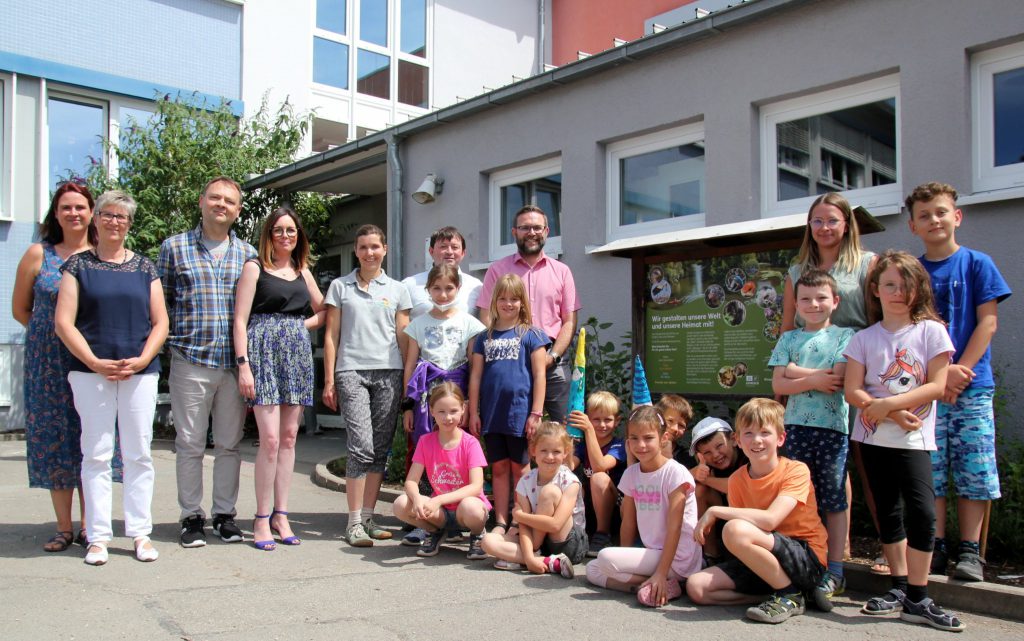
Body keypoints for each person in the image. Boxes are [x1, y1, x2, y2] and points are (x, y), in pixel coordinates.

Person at [844, 250, 965, 632]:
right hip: (872, 436)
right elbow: (853, 391)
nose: (897, 292)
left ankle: (918, 593)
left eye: (905, 284)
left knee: (923, 513)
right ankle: (899, 588)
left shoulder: (931, 331)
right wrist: (889, 412)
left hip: (914, 440)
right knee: (887, 511)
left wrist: (888, 405)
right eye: (889, 284)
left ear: (918, 289)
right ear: (876, 290)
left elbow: (936, 384)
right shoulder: (864, 338)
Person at [54, 190, 168, 565]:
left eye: (122, 217)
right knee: (97, 455)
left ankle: (140, 534)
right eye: (107, 215)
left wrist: (142, 360)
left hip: (139, 374)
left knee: (138, 455)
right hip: (91, 375)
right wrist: (94, 361)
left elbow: (160, 322)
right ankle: (98, 538)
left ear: (129, 224)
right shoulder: (77, 266)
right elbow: (63, 323)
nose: (114, 222)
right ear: (96, 219)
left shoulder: (145, 268)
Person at [906, 182, 1011, 582]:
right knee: (930, 470)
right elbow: (910, 330)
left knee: (974, 468)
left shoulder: (977, 263)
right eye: (924, 215)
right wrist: (937, 376)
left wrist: (957, 370)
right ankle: (935, 545)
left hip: (972, 385)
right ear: (913, 225)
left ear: (956, 216)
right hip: (925, 389)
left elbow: (988, 321)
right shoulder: (912, 273)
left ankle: (969, 551)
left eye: (940, 212)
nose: (934, 220)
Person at [780, 191, 882, 573]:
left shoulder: (868, 263)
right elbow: (787, 326)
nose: (824, 227)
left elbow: (878, 316)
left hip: (860, 367)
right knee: (835, 460)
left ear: (846, 224)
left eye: (832, 220)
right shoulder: (797, 270)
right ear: (810, 225)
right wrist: (786, 377)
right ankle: (842, 543)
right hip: (814, 375)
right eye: (818, 220)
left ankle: (888, 545)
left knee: (868, 458)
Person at [157, 176, 256, 547]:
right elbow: (161, 302)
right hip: (190, 361)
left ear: (238, 210)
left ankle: (225, 516)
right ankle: (191, 517)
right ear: (201, 201)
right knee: (190, 444)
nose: (221, 205)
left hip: (233, 365)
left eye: (229, 201)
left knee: (230, 445)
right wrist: (169, 346)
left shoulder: (247, 253)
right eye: (215, 198)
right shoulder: (174, 248)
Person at [686, 398, 828, 625]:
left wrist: (714, 510)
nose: (757, 440)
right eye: (749, 433)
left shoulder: (796, 470)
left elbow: (770, 520)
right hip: (765, 562)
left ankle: (789, 594)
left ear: (780, 438)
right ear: (739, 440)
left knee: (734, 529)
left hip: (805, 558)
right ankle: (787, 594)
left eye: (765, 432)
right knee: (697, 588)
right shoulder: (737, 480)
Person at [233, 207, 325, 551]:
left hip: (296, 356)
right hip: (262, 354)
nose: (285, 236)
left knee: (288, 438)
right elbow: (240, 320)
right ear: (268, 234)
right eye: (279, 230)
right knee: (269, 439)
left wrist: (300, 326)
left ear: (298, 236)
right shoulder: (254, 267)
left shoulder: (303, 271)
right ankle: (260, 516)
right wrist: (243, 365)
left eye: (291, 231)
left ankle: (281, 515)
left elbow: (325, 310)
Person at [12, 183, 97, 552]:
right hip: (46, 364)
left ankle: (89, 526)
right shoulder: (39, 254)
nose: (74, 213)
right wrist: (49, 335)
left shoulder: (100, 255)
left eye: (80, 206)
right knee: (54, 442)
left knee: (89, 441)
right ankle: (64, 528)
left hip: (90, 359)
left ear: (92, 212)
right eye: (66, 207)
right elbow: (20, 309)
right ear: (56, 213)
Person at [769, 269, 855, 611]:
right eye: (805, 299)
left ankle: (835, 570)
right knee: (799, 498)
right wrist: (810, 377)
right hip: (796, 429)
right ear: (796, 303)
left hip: (832, 430)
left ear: (835, 301)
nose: (813, 304)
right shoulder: (788, 338)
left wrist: (796, 371)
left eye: (821, 298)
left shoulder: (846, 335)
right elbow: (778, 385)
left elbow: (838, 379)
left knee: (833, 498)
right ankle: (802, 562)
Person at [323, 224, 412, 547]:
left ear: (384, 249)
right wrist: (329, 378)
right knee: (360, 445)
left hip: (389, 371)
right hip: (352, 371)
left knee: (379, 450)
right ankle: (354, 522)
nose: (369, 252)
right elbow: (331, 335)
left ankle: (369, 516)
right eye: (363, 247)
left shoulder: (398, 289)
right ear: (357, 251)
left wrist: (407, 381)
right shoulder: (340, 287)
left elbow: (403, 335)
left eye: (375, 246)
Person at [400, 263, 485, 546]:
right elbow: (410, 365)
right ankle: (426, 518)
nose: (443, 293)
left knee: (457, 447)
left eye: (449, 288)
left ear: (458, 289)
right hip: (426, 394)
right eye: (436, 288)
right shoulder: (419, 324)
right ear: (427, 290)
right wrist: (408, 405)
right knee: (426, 446)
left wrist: (472, 406)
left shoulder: (471, 324)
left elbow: (475, 367)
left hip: (458, 390)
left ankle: (464, 513)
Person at [585, 406, 702, 608]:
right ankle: (654, 586)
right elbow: (628, 523)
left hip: (678, 557)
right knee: (593, 569)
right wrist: (624, 556)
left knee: (605, 557)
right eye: (634, 438)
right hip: (653, 554)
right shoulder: (632, 474)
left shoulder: (676, 473)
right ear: (627, 441)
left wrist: (660, 571)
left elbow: (675, 528)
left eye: (648, 438)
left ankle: (662, 579)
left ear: (664, 438)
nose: (641, 445)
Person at [478, 205, 579, 422]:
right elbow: (486, 316)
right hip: (511, 361)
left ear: (546, 231)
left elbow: (569, 321)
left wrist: (552, 357)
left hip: (553, 363)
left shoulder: (562, 271)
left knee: (566, 428)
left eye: (536, 227)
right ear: (514, 232)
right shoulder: (497, 270)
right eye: (525, 228)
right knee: (516, 430)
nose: (531, 233)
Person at [468, 274, 549, 532]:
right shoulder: (484, 337)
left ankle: (520, 519)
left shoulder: (532, 334)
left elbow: (539, 375)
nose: (508, 303)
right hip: (492, 415)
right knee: (499, 468)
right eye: (502, 298)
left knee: (521, 468)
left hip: (520, 414)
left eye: (514, 299)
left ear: (522, 302)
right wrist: (473, 412)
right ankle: (501, 521)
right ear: (494, 301)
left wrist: (536, 412)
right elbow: (476, 376)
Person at [393, 383, 491, 559]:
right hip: (439, 513)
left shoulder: (470, 443)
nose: (448, 417)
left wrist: (438, 499)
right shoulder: (425, 442)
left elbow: (476, 487)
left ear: (463, 409)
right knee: (401, 504)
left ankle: (477, 534)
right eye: (441, 411)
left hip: (466, 510)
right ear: (431, 411)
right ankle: (434, 532)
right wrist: (416, 499)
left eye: (453, 411)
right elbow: (411, 481)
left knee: (472, 508)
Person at [480, 421, 586, 578]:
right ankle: (547, 562)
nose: (550, 457)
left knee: (549, 492)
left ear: (566, 452)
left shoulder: (570, 481)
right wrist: (530, 557)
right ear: (533, 451)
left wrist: (521, 516)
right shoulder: (526, 481)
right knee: (487, 541)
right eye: (544, 451)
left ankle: (521, 558)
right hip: (538, 543)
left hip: (567, 543)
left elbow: (556, 525)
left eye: (556, 451)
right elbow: (524, 526)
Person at [567, 391, 627, 557]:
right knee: (572, 483)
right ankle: (570, 533)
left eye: (607, 419)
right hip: (588, 510)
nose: (602, 425)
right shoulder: (582, 446)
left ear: (617, 421)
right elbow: (567, 467)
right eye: (596, 420)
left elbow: (600, 466)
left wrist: (588, 431)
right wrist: (568, 435)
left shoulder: (619, 445)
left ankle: (603, 535)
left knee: (598, 478)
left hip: (615, 511)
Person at [686, 417, 746, 561]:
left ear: (733, 439)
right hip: (720, 522)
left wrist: (707, 480)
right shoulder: (706, 467)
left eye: (719, 446)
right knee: (699, 490)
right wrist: (693, 474)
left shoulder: (748, 456)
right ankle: (711, 555)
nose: (715, 455)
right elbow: (670, 484)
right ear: (700, 456)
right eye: (707, 453)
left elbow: (740, 487)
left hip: (748, 519)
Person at [401, 226, 482, 321]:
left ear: (463, 253)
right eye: (443, 247)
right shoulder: (409, 285)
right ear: (431, 251)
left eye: (455, 247)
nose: (449, 252)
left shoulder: (477, 287)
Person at [657, 393, 692, 461]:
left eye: (681, 425)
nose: (675, 428)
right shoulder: (644, 449)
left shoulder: (686, 457)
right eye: (670, 421)